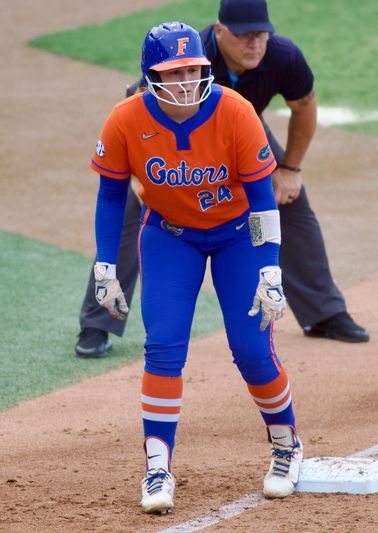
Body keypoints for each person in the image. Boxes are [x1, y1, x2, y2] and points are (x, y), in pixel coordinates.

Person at [89, 21, 304, 513]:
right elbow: (110, 192)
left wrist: (270, 269)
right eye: (175, 71)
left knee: (251, 350)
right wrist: (105, 263)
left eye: (194, 69)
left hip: (237, 239)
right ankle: (158, 469)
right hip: (171, 237)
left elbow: (262, 198)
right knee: (163, 347)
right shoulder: (125, 119)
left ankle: (286, 446)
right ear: (150, 76)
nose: (187, 80)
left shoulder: (235, 111)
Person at [75, 0, 369, 358]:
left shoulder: (283, 57)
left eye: (261, 34)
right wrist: (153, 179)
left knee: (289, 202)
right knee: (128, 212)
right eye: (245, 35)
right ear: (219, 31)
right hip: (166, 142)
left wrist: (290, 169)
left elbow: (304, 106)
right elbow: (141, 103)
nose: (255, 44)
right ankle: (97, 322)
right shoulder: (189, 57)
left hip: (239, 132)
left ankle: (324, 312)